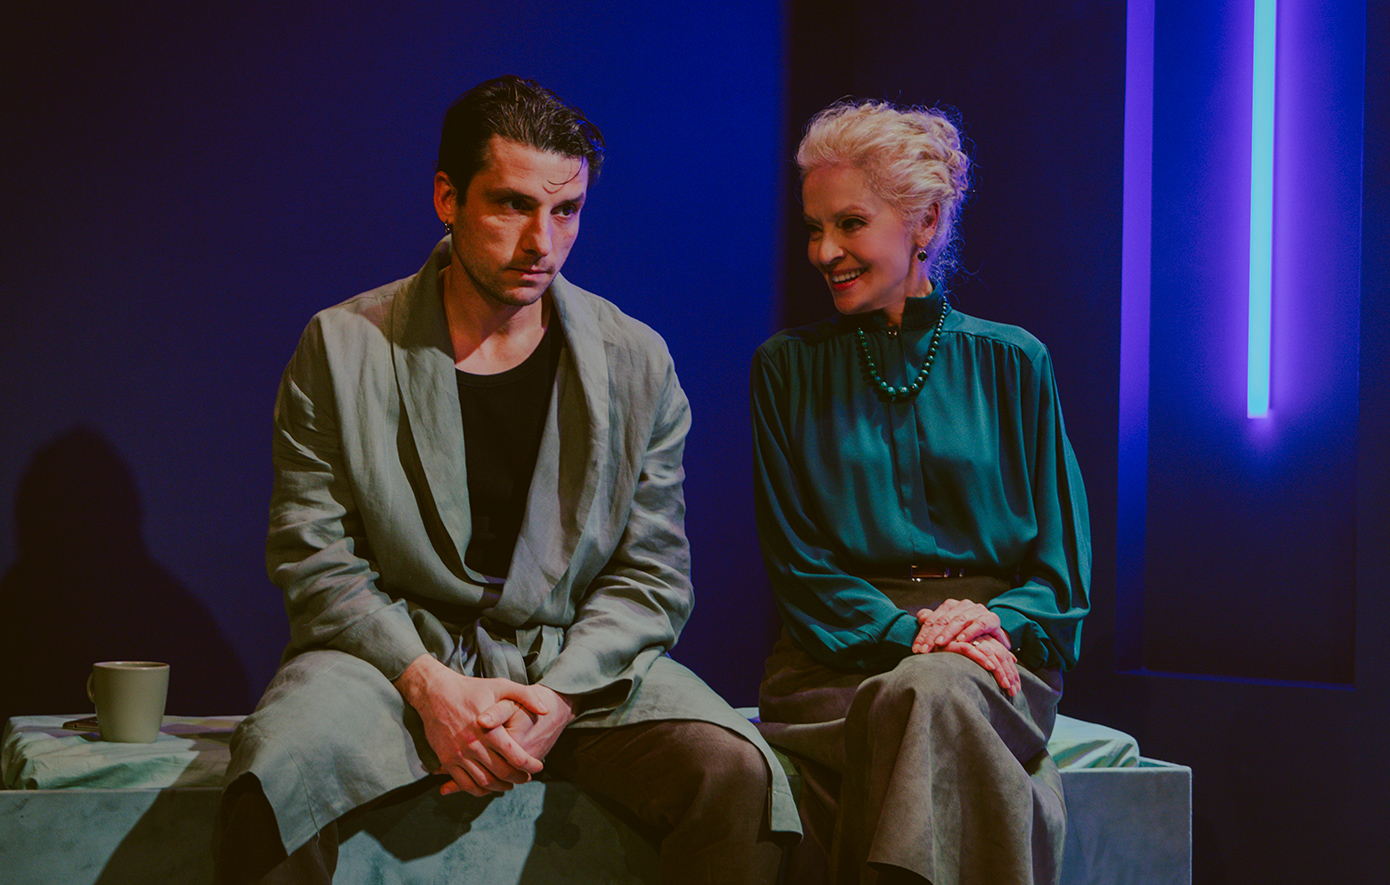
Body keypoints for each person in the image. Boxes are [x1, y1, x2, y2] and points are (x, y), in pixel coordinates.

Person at [217, 75, 797, 885]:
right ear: (446, 198)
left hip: (572, 665)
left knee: (738, 773)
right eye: (513, 205)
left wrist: (558, 698)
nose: (541, 243)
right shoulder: (342, 346)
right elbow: (314, 557)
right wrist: (430, 685)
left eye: (566, 211)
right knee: (273, 779)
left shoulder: (636, 362)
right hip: (390, 661)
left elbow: (651, 576)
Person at [750, 99, 1091, 885]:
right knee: (925, 693)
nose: (824, 251)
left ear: (926, 221)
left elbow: (1062, 572)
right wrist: (910, 634)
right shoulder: (785, 370)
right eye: (814, 228)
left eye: (850, 224)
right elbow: (799, 567)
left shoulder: (1016, 362)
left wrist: (992, 622)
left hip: (993, 656)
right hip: (835, 663)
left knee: (933, 692)